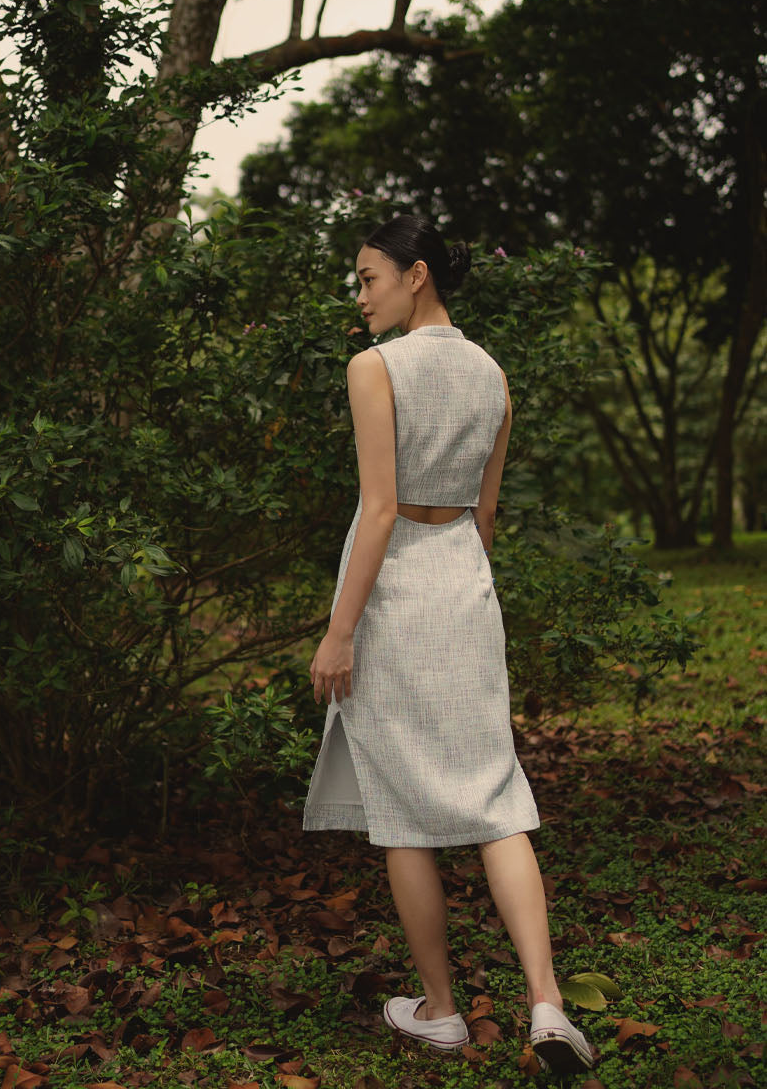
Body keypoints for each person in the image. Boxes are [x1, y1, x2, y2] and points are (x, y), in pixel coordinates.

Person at [302, 215, 595, 1076]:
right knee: (496, 796)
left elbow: (382, 509)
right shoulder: (492, 375)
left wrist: (339, 630)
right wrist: (463, 597)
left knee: (403, 812)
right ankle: (546, 1003)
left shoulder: (374, 368)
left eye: (367, 278)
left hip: (392, 599)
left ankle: (439, 1009)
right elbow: (487, 513)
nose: (359, 297)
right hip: (466, 591)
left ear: (416, 274)